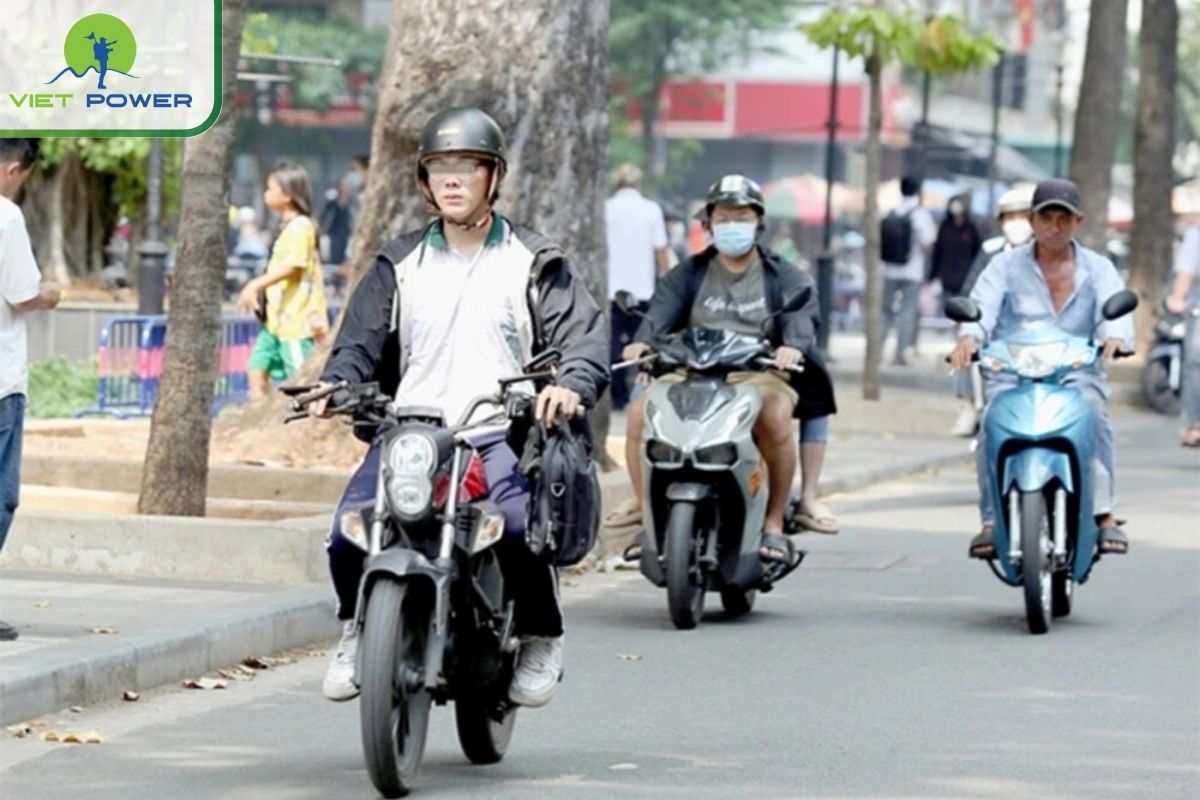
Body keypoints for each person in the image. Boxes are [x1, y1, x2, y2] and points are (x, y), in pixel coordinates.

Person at [310, 108, 607, 707]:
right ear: (424, 181)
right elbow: (358, 343)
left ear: (492, 177)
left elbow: (582, 337)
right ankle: (356, 628)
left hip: (496, 431)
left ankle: (542, 634)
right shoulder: (400, 262)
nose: (451, 180)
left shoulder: (532, 259)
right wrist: (337, 384)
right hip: (412, 432)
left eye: (466, 167)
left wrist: (570, 382)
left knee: (520, 529)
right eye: (439, 168)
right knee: (349, 532)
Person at [613, 174, 836, 567]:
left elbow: (801, 316)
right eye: (724, 216)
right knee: (637, 414)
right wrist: (643, 340)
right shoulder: (690, 272)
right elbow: (660, 312)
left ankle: (773, 523)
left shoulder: (783, 275)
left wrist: (791, 347)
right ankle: (647, 518)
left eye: (742, 216)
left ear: (758, 222)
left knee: (776, 416)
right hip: (691, 369)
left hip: (757, 372)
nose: (733, 224)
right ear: (709, 224)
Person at [950, 178, 1133, 558]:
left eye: (1063, 219)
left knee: (1096, 416)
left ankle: (1104, 513)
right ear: (1032, 220)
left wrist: (1115, 337)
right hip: (1012, 374)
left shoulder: (1098, 268)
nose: (1054, 226)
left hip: (1076, 373)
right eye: (1046, 217)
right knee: (990, 426)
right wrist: (969, 337)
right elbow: (980, 309)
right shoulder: (1003, 265)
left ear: (1077, 222)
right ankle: (989, 520)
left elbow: (1115, 308)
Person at [0, 138, 61, 642]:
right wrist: (52, 293)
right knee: (2, 498)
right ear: (13, 168)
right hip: (0, 382)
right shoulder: (5, 217)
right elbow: (22, 295)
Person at [948, 184, 1035, 437]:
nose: (1016, 223)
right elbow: (971, 290)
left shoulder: (1047, 255)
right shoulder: (991, 252)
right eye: (1010, 217)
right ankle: (970, 406)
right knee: (967, 343)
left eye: (1023, 216)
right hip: (994, 327)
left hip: (1035, 331)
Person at [237, 162, 329, 398]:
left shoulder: (301, 226)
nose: (266, 193)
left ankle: (303, 427)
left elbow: (293, 268)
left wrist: (255, 284)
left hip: (296, 324)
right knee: (257, 369)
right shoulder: (287, 227)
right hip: (276, 322)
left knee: (301, 381)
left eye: (270, 188)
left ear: (287, 194)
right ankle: (261, 421)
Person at [605, 163, 671, 410]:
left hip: (612, 289)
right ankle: (643, 392)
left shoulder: (606, 209)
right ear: (638, 183)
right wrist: (668, 281)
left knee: (613, 344)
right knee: (643, 342)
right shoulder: (651, 210)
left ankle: (618, 397)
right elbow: (661, 249)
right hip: (642, 289)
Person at [880, 176, 936, 366]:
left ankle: (877, 351)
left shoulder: (891, 212)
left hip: (888, 270)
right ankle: (899, 354)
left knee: (885, 311)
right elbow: (927, 244)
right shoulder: (920, 214)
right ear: (918, 192)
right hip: (912, 272)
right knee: (907, 312)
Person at [1165, 221, 1200, 447]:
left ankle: (1196, 425)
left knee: (1195, 365)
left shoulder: (1196, 234)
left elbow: (1185, 272)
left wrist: (1177, 298)